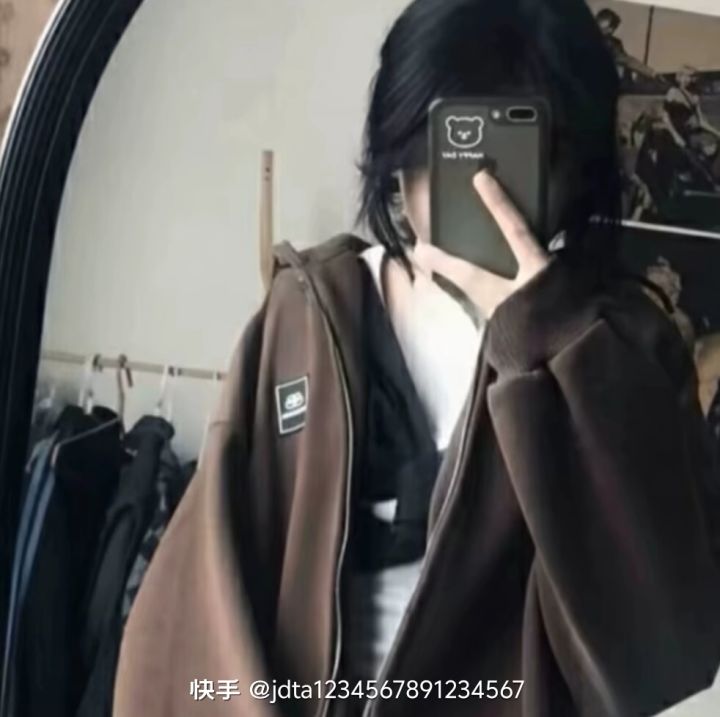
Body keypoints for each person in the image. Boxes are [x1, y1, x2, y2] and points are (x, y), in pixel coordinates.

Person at [114, 1, 720, 716]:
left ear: (575, 168)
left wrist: (545, 338)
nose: (485, 183)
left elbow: (665, 658)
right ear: (399, 150)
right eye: (454, 143)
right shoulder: (306, 314)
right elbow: (191, 609)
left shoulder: (626, 347)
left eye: (522, 148)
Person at [595, 7, 657, 86]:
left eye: (614, 28)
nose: (611, 31)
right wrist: (651, 73)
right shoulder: (608, 42)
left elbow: (626, 60)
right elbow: (627, 61)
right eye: (610, 27)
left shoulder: (611, 43)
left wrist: (651, 72)